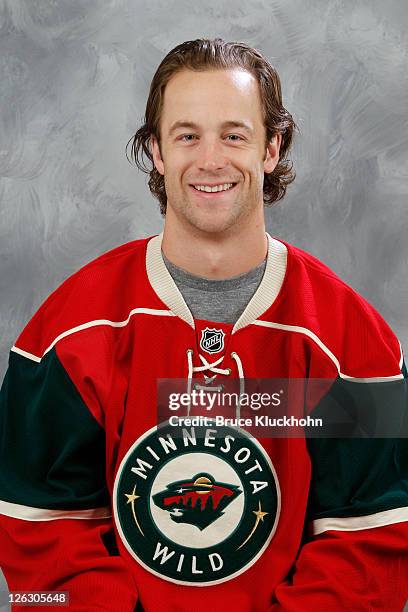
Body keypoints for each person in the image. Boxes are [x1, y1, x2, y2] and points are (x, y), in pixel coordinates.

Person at [0, 38, 407, 611]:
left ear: (272, 147)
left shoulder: (354, 343)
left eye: (234, 135)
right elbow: (39, 534)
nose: (211, 159)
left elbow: (371, 541)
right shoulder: (67, 334)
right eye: (187, 135)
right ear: (156, 151)